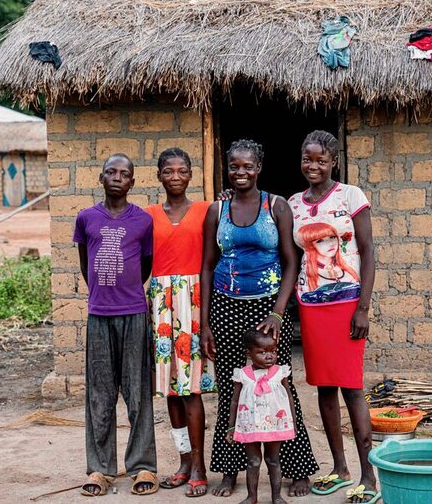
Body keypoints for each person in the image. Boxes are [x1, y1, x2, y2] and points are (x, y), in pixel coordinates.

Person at [200, 139, 318, 498]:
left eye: (247, 166)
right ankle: (230, 470)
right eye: (234, 166)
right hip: (225, 306)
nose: (240, 172)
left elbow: (290, 262)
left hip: (266, 309)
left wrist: (279, 313)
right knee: (231, 388)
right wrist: (205, 323)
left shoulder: (276, 206)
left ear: (259, 168)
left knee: (281, 388)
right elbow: (207, 266)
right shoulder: (216, 211)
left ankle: (298, 470)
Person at [287, 131, 377, 503]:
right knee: (324, 387)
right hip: (311, 306)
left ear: (333, 162)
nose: (313, 166)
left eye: (321, 160)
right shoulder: (292, 203)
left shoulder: (350, 196)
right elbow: (292, 259)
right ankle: (340, 469)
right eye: (308, 159)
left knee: (352, 387)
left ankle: (367, 475)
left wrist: (363, 308)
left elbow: (369, 251)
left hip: (347, 304)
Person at [74, 154, 159, 497]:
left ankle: (143, 466)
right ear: (100, 177)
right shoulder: (86, 218)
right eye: (111, 171)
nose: (117, 178)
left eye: (125, 174)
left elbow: (146, 266)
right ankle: (100, 468)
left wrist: (125, 294)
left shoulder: (142, 221)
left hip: (134, 314)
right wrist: (102, 295)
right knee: (100, 395)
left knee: (138, 393)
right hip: (99, 316)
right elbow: (85, 264)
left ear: (133, 183)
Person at [145, 148, 214, 497]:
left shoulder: (206, 210)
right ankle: (184, 461)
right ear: (159, 176)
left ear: (190, 174)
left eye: (182, 170)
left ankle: (200, 466)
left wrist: (206, 319)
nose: (175, 176)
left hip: (194, 301)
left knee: (192, 390)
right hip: (161, 304)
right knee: (170, 389)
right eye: (168, 171)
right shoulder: (149, 215)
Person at [226, 329, 296, 504]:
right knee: (253, 461)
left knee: (273, 460)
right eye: (262, 352)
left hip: (275, 424)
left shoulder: (280, 372)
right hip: (249, 425)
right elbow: (234, 401)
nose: (269, 356)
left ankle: (276, 497)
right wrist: (231, 427)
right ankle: (252, 497)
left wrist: (293, 422)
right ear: (248, 353)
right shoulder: (242, 374)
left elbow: (288, 397)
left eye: (273, 351)